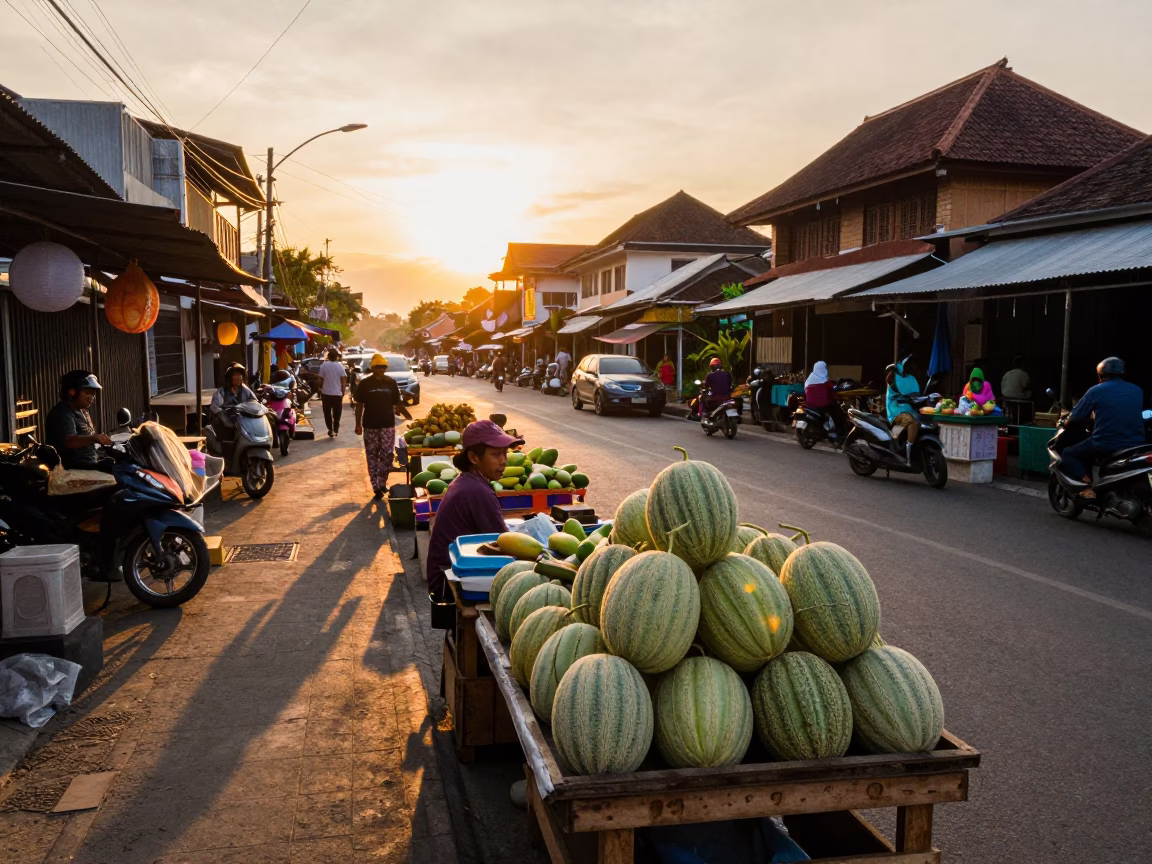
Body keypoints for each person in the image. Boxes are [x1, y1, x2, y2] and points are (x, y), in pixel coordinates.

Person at [425, 420, 521, 597]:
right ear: (474, 458)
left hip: (448, 574)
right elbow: (505, 543)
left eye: (505, 453)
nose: (503, 461)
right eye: (495, 454)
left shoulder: (469, 482)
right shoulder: (476, 491)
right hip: (449, 582)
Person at [1060, 357, 1146, 497]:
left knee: (1068, 453)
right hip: (1136, 445)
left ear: (1101, 375)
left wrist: (1064, 421)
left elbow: (1075, 416)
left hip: (1106, 444)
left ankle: (1087, 487)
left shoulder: (1096, 391)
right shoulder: (1137, 391)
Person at [354, 354, 413, 498]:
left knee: (386, 454)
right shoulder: (365, 384)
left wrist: (408, 417)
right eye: (378, 367)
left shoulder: (390, 382)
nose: (381, 370)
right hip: (370, 425)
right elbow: (359, 405)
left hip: (387, 424)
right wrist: (358, 424)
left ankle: (382, 482)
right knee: (372, 455)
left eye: (383, 368)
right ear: (372, 368)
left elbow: (397, 402)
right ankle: (376, 486)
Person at [46, 370, 113, 470]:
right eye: (87, 393)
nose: (91, 397)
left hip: (91, 463)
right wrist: (95, 438)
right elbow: (69, 441)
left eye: (93, 394)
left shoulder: (83, 412)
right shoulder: (62, 413)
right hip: (75, 470)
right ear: (72, 392)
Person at [885, 357, 921, 462]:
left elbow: (913, 393)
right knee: (909, 420)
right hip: (895, 409)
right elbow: (903, 390)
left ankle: (908, 448)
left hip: (907, 408)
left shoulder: (910, 378)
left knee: (917, 423)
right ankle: (894, 438)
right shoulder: (894, 379)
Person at [209, 364, 258, 439]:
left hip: (244, 421)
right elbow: (214, 407)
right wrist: (224, 412)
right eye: (235, 375)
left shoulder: (245, 390)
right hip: (227, 422)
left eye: (240, 374)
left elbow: (254, 401)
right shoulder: (222, 391)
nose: (238, 377)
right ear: (229, 377)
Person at [804, 360, 846, 441]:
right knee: (838, 413)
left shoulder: (809, 379)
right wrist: (838, 387)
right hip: (822, 404)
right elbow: (834, 388)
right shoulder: (824, 381)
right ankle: (838, 433)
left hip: (810, 404)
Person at [317, 348, 348, 438]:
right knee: (337, 413)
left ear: (329, 356)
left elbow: (320, 379)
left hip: (326, 393)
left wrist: (320, 388)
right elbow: (343, 380)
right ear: (336, 357)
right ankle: (336, 429)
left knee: (327, 413)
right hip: (337, 394)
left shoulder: (324, 366)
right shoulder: (340, 366)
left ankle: (330, 429)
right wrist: (343, 391)